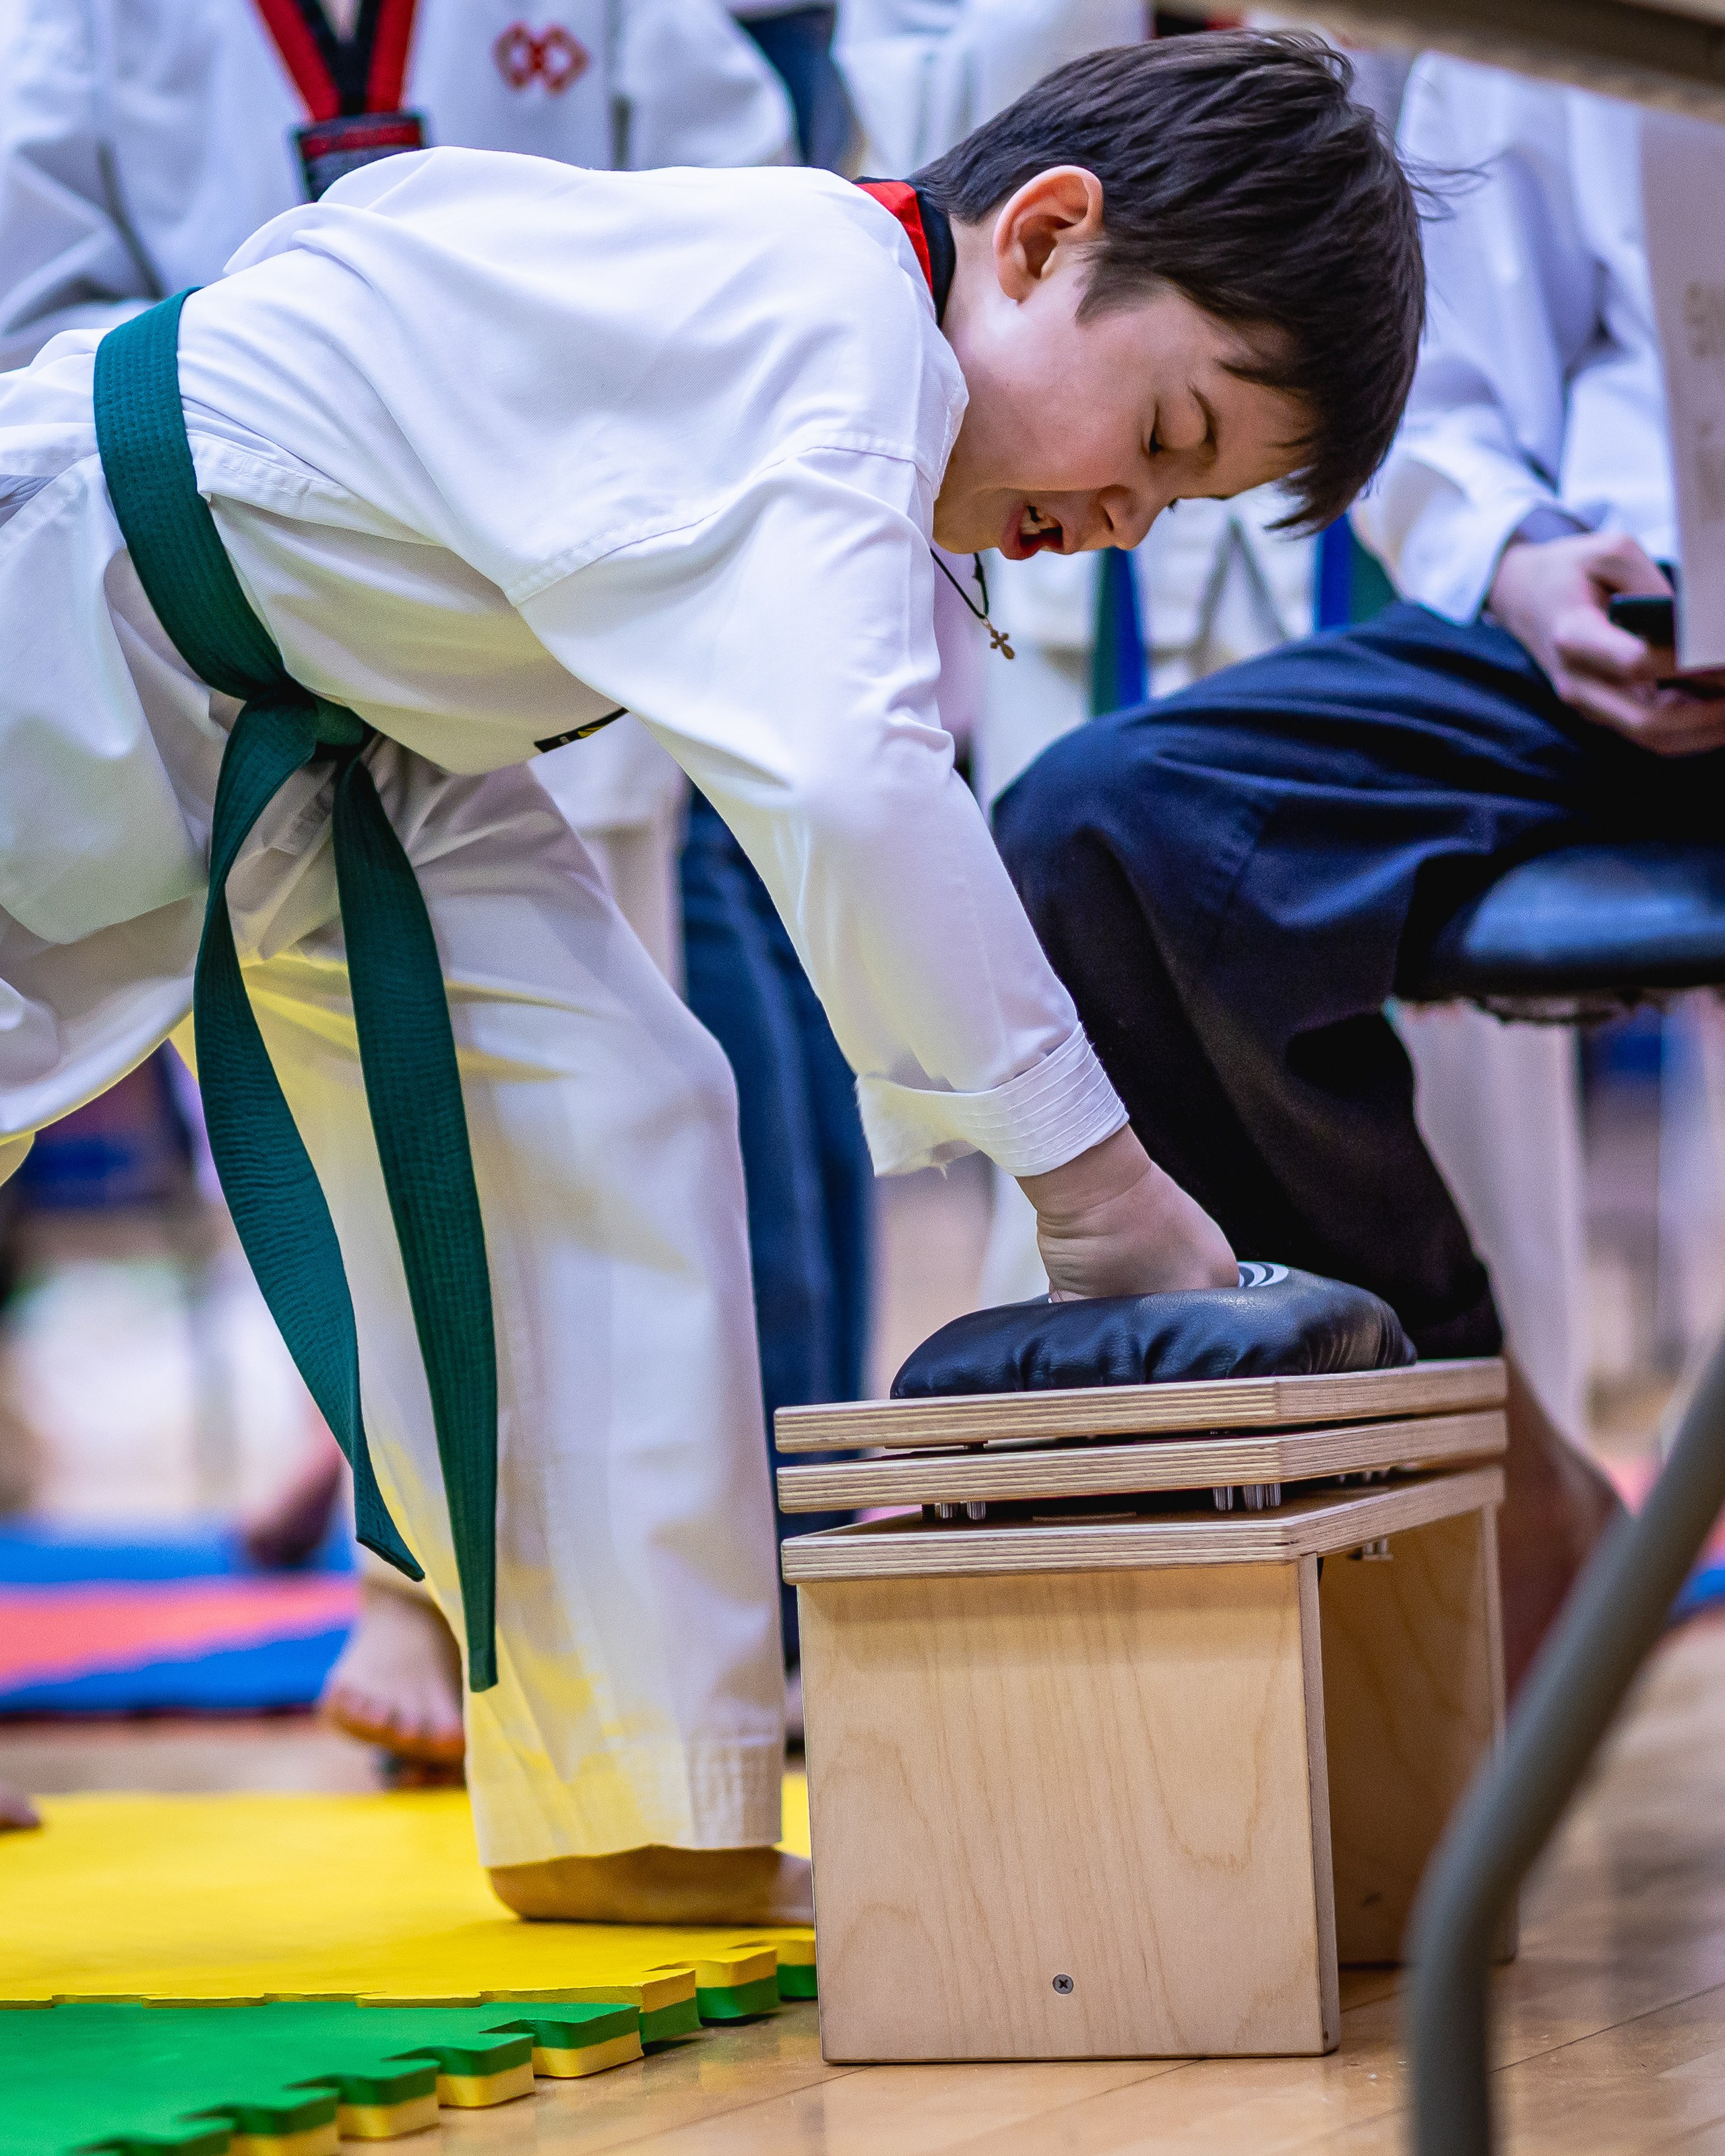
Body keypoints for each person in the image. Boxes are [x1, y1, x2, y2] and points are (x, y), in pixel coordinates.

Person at [0, 31, 1422, 1920]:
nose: (1121, 521)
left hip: (342, 720)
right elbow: (849, 778)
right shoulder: (829, 314)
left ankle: (641, 1806)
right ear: (1039, 236)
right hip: (73, 595)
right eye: (1162, 442)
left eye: (1179, 504)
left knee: (619, 1104)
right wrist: (1101, 1192)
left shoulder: (827, 341)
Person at [0, 0, 792, 1771]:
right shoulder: (93, 18)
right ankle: (398, 1560)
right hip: (192, 587)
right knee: (317, 1139)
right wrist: (294, 402)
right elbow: (31, 283)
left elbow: (726, 221)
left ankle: (540, 1684)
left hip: (528, 606)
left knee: (598, 1119)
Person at [995, 52, 1689, 1696]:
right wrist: (1520, 556)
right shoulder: (1549, 38)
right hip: (1620, 613)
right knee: (1101, 829)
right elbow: (1448, 376)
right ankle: (1474, 1443)